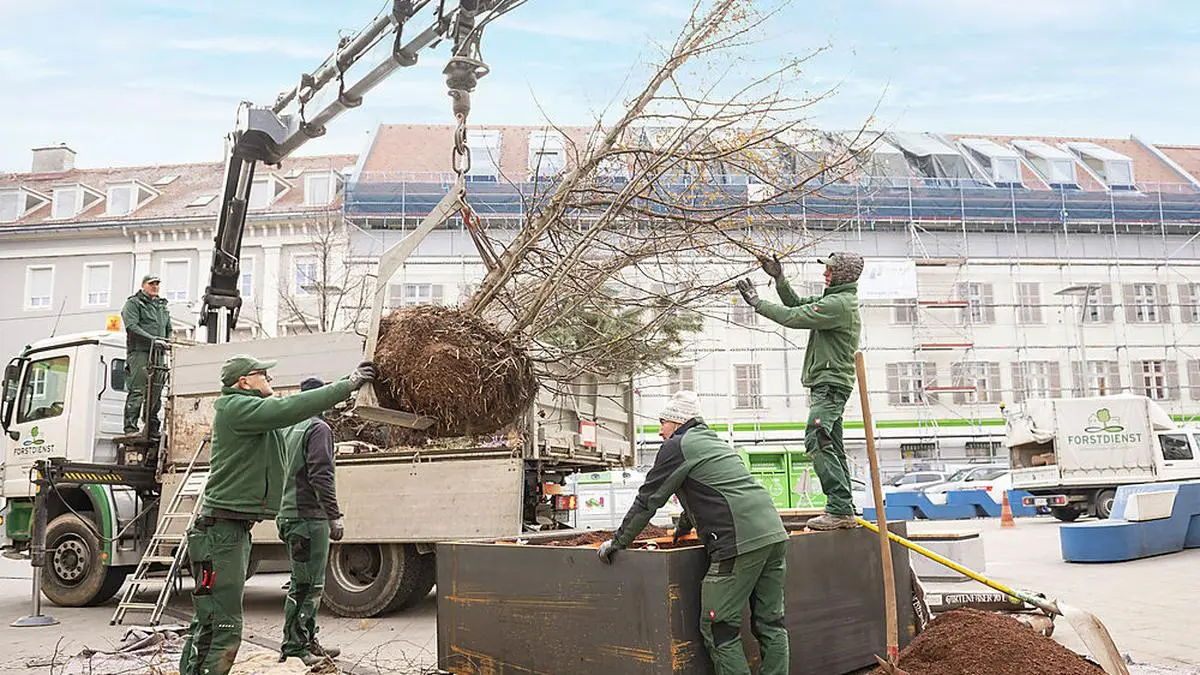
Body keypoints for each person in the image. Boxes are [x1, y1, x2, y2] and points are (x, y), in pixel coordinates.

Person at [178, 357, 377, 675]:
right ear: (244, 382)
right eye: (263, 374)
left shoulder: (255, 414)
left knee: (212, 619)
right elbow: (292, 408)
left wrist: (348, 380)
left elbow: (294, 408)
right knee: (222, 625)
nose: (269, 377)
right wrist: (348, 384)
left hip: (232, 530)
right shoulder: (236, 409)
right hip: (220, 533)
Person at [598, 391, 789, 675]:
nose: (660, 430)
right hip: (773, 534)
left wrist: (619, 541)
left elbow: (648, 499)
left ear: (676, 421)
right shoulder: (713, 442)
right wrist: (684, 526)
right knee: (770, 623)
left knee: (719, 626)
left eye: (662, 422)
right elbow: (710, 491)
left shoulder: (677, 446)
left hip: (737, 542)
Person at [736, 251, 863, 530]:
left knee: (817, 438)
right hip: (828, 385)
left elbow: (792, 317)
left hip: (830, 385)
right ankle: (844, 506)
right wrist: (780, 280)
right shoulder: (834, 300)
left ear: (842, 274)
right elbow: (795, 303)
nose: (825, 274)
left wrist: (757, 304)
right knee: (831, 444)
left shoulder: (839, 304)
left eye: (829, 270)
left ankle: (840, 508)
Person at [276, 377, 345, 666]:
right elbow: (321, 474)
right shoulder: (318, 428)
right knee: (307, 585)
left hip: (289, 514)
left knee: (304, 582)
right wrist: (334, 515)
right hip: (307, 517)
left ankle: (307, 638)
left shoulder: (289, 428)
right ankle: (295, 648)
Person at [120, 274, 171, 437]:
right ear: (143, 285)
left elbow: (168, 327)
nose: (155, 286)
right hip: (141, 352)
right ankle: (130, 427)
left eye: (157, 284)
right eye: (151, 284)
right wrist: (153, 340)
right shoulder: (134, 303)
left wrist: (167, 341)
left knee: (156, 392)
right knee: (138, 390)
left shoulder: (162, 307)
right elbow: (132, 326)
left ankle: (151, 427)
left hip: (158, 353)